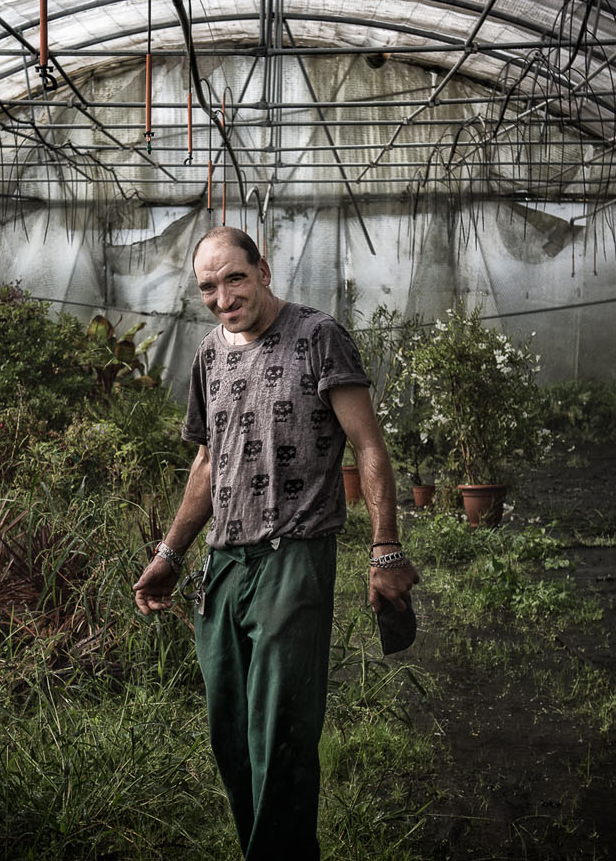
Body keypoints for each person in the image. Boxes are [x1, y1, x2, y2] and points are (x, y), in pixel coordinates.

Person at [133, 225, 420, 859]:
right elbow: (208, 465)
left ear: (263, 269)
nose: (222, 296)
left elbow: (368, 445)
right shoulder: (210, 354)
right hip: (223, 566)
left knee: (282, 735)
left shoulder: (319, 337)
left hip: (294, 557)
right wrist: (169, 555)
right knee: (231, 734)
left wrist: (386, 549)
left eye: (234, 277)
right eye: (207, 286)